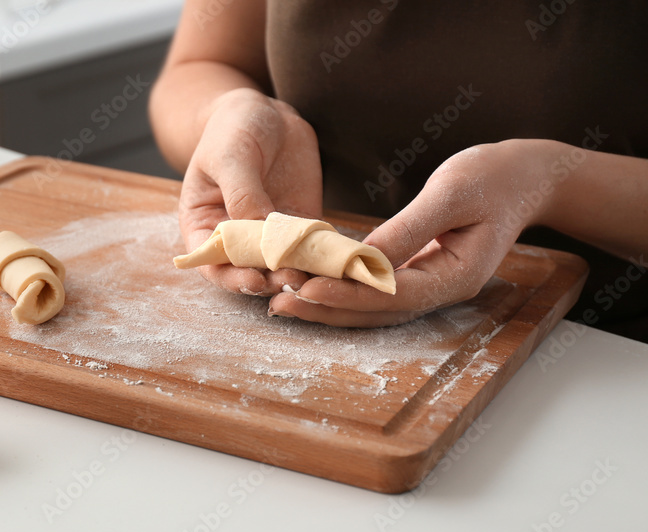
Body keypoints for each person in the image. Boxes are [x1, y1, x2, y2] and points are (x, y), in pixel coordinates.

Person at [148, 0, 648, 340]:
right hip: (301, 322)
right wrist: (226, 113)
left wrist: (549, 182)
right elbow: (199, 64)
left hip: (605, 351)